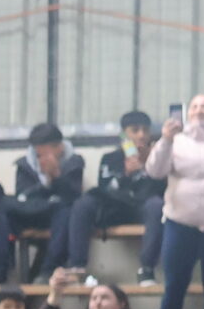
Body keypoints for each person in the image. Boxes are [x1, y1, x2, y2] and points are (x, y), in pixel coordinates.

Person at [56, 109, 163, 283]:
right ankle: (77, 267)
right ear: (124, 134)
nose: (141, 135)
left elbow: (163, 191)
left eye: (145, 130)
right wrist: (125, 175)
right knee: (83, 204)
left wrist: (150, 166)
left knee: (156, 205)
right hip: (116, 208)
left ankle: (147, 269)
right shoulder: (110, 158)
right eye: (135, 130)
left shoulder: (159, 158)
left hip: (144, 208)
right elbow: (105, 189)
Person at [0, 122, 85, 283]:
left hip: (56, 213)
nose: (41, 159)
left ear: (59, 148)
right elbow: (23, 194)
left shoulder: (74, 162)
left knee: (66, 211)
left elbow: (73, 196)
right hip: (31, 210)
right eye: (39, 155)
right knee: (3, 207)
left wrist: (56, 176)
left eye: (46, 154)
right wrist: (44, 184)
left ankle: (48, 271)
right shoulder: (25, 165)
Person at [152, 96, 204, 309]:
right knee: (174, 286)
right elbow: (155, 171)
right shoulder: (175, 141)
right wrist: (165, 139)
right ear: (188, 113)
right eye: (196, 106)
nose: (200, 111)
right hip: (179, 224)